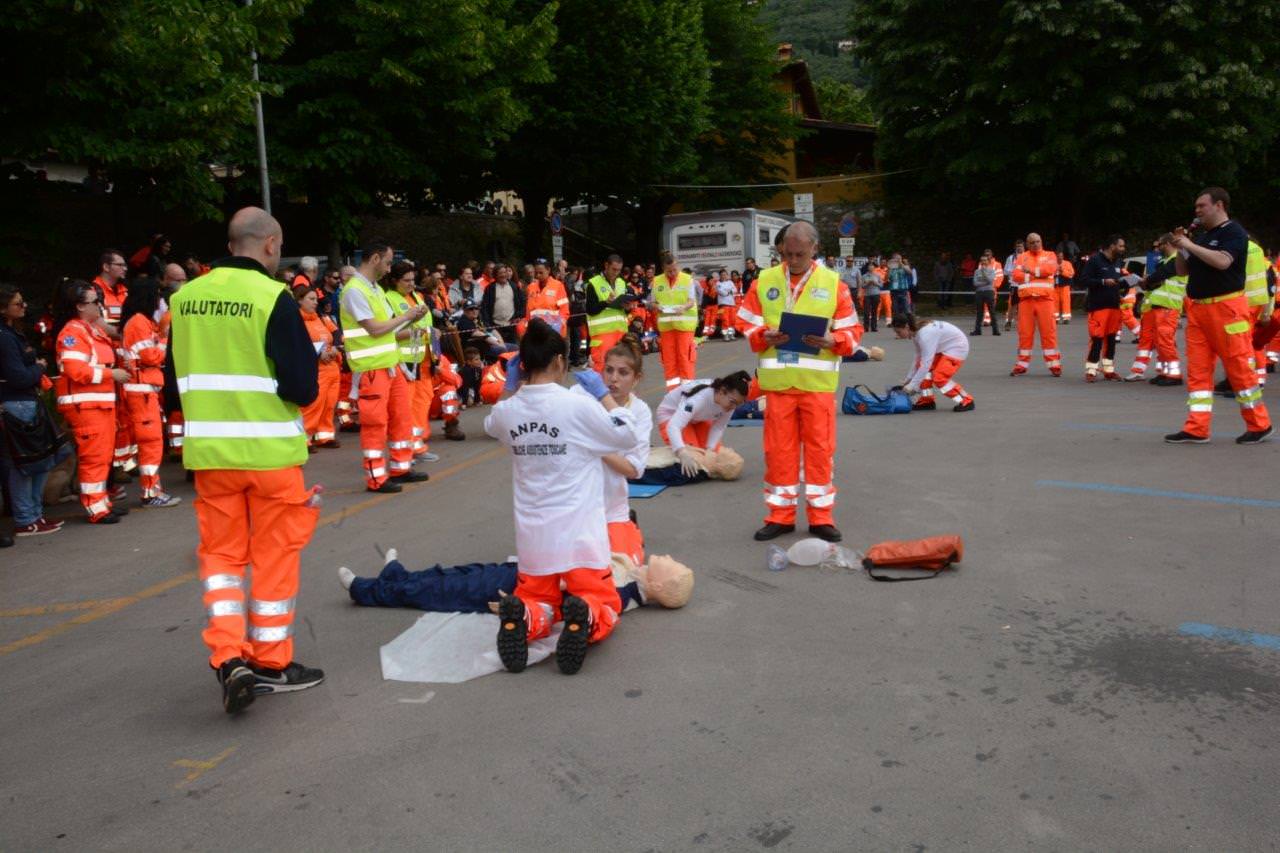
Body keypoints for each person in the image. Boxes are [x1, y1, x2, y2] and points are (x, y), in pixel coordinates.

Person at [166, 205, 325, 714]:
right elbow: (301, 387)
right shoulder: (272, 297)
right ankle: (271, 663)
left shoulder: (186, 298)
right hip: (270, 454)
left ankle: (229, 655)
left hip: (211, 459)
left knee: (221, 561)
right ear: (272, 245)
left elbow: (173, 384)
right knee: (274, 559)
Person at [483, 319, 638, 674]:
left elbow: (492, 423)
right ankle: (584, 619)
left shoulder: (509, 412)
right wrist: (603, 395)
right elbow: (626, 435)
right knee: (602, 599)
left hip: (535, 539)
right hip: (580, 537)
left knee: (537, 598)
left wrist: (510, 387)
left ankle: (525, 617)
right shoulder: (574, 406)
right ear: (557, 362)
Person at [737, 220, 861, 543]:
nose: (791, 260)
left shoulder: (835, 284)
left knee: (820, 452)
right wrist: (762, 335)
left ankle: (821, 517)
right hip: (778, 387)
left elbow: (853, 334)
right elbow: (744, 321)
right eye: (787, 254)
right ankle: (780, 515)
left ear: (814, 250)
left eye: (799, 254)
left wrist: (834, 340)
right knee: (778, 453)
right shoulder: (763, 281)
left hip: (816, 387)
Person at [1165, 187, 1272, 444]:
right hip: (1198, 309)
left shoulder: (1234, 232)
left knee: (1239, 368)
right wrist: (1182, 247)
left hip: (1226, 309)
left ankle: (1259, 423)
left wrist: (1190, 244)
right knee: (1198, 369)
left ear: (1220, 205)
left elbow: (1223, 262)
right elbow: (1181, 271)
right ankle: (1196, 427)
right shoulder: (1202, 237)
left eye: (1202, 206)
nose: (1197, 211)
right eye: (1196, 207)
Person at [340, 240, 430, 493]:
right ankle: (376, 477)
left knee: (402, 417)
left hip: (390, 365)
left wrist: (413, 320)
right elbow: (375, 329)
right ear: (376, 259)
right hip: (371, 369)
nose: (390, 269)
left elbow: (390, 328)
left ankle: (401, 467)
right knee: (375, 424)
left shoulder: (374, 289)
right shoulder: (355, 290)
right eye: (389, 262)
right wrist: (407, 317)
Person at [55, 280, 129, 524]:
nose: (99, 305)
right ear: (79, 306)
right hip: (86, 406)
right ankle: (96, 508)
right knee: (94, 457)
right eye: (94, 302)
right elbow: (76, 371)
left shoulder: (90, 330)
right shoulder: (72, 333)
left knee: (103, 456)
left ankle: (102, 501)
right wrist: (112, 374)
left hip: (99, 404)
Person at [1, 285, 68, 536]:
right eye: (18, 303)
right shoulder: (5, 338)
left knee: (39, 462)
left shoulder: (12, 334)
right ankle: (26, 518)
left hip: (25, 401)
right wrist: (39, 368)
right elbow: (18, 377)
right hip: (17, 403)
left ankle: (34, 515)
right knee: (26, 465)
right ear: (3, 308)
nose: (24, 306)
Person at [119, 278, 181, 506]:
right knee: (151, 444)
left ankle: (152, 491)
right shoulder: (139, 323)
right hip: (141, 392)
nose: (160, 302)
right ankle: (151, 493)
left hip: (144, 391)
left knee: (151, 444)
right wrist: (164, 342)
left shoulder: (139, 322)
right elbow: (150, 356)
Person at [599, 339, 653, 567]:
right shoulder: (584, 399)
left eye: (623, 373)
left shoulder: (639, 411)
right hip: (577, 506)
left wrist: (597, 449)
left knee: (624, 570)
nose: (614, 379)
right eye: (609, 370)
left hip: (613, 506)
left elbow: (633, 469)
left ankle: (627, 525)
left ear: (636, 378)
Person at [382, 260, 436, 465]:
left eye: (413, 280)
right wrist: (418, 332)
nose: (411, 284)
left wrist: (431, 334)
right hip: (404, 361)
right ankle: (405, 449)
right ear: (394, 280)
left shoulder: (417, 296)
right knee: (404, 408)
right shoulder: (388, 299)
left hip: (422, 358)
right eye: (406, 281)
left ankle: (417, 446)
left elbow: (425, 323)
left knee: (421, 404)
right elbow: (389, 332)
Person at [92, 249, 137, 480]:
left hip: (122, 355)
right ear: (106, 266)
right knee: (116, 413)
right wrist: (126, 334)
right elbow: (98, 324)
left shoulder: (123, 290)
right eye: (120, 265)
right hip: (107, 357)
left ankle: (126, 461)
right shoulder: (95, 291)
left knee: (127, 411)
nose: (125, 268)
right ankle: (116, 467)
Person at [654, 372, 750, 472]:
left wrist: (710, 449)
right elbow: (673, 426)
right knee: (695, 459)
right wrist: (681, 452)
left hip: (697, 418)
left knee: (712, 456)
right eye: (733, 402)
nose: (734, 407)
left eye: (738, 404)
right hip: (671, 416)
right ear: (722, 391)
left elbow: (718, 427)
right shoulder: (698, 399)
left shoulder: (729, 401)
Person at [1125, 235, 1186, 385]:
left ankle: (1174, 376)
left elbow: (1160, 276)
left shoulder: (1176, 259)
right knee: (1160, 342)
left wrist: (1148, 280)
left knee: (1165, 341)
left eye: (1160, 245)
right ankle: (1165, 372)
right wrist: (1148, 281)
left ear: (1168, 244)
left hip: (1168, 305)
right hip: (1159, 305)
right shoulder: (1165, 261)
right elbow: (1157, 279)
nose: (1158, 249)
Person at [892, 314, 974, 411]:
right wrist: (908, 379)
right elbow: (918, 358)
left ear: (906, 327)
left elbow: (926, 363)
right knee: (923, 370)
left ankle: (966, 400)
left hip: (957, 348)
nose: (897, 335)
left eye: (898, 332)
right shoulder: (916, 333)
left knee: (939, 378)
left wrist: (912, 385)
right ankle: (927, 401)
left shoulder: (925, 335)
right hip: (945, 348)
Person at [294, 284, 342, 449]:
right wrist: (318, 353)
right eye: (311, 299)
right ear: (300, 300)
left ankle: (325, 436)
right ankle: (304, 439)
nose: (315, 302)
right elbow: (297, 343)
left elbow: (336, 333)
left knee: (329, 404)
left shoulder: (321, 317)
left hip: (332, 366)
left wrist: (335, 347)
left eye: (316, 299)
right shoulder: (296, 319)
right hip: (315, 369)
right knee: (313, 405)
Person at [1009, 233, 1062, 376]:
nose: (1035, 244)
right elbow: (1016, 276)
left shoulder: (1050, 255)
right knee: (1024, 334)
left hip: (1045, 300)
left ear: (1041, 242)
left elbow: (1050, 270)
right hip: (1026, 301)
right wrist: (1037, 274)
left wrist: (1030, 272)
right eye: (1032, 242)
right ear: (1027, 244)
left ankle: (1054, 365)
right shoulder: (1022, 257)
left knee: (1049, 333)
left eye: (1038, 241)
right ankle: (1021, 364)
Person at [1079, 235, 1128, 382]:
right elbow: (1084, 280)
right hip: (1098, 306)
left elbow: (1118, 282)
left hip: (1114, 306)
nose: (1123, 249)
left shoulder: (1119, 262)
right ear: (1112, 246)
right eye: (1121, 246)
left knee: (1111, 340)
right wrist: (1103, 281)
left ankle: (1109, 370)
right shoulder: (1095, 260)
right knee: (1097, 339)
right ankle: (1091, 371)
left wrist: (1127, 283)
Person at [650, 251, 699, 390]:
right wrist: (656, 307)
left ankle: (688, 391)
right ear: (663, 269)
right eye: (669, 271)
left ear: (678, 266)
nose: (672, 273)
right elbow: (652, 302)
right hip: (667, 328)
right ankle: (672, 393)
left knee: (685, 360)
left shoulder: (687, 279)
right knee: (669, 361)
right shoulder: (657, 281)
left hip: (684, 326)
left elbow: (691, 301)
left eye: (674, 270)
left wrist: (683, 308)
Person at [584, 254, 636, 373]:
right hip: (602, 337)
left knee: (622, 370)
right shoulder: (593, 283)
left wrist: (628, 307)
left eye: (619, 270)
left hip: (621, 335)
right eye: (614, 269)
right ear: (606, 266)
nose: (616, 272)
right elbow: (590, 310)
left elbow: (622, 310)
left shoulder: (621, 282)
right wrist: (606, 302)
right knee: (602, 370)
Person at [479, 264, 524, 344]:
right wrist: (488, 325)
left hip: (511, 326)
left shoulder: (514, 286)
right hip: (495, 326)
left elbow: (521, 303)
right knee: (500, 350)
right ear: (495, 275)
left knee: (513, 350)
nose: (503, 275)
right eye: (500, 273)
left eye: (504, 272)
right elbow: (484, 308)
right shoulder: (490, 289)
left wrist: (518, 316)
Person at [524, 260, 570, 334]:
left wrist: (557, 326)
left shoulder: (558, 286)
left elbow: (564, 311)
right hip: (535, 331)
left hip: (553, 331)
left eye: (541, 273)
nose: (538, 275)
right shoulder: (531, 287)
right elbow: (528, 312)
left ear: (548, 270)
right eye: (536, 273)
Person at [971, 249, 1003, 335]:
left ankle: (995, 330)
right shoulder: (978, 269)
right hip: (980, 291)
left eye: (988, 255)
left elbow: (992, 280)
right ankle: (978, 329)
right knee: (979, 312)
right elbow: (975, 282)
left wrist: (986, 279)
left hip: (990, 290)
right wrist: (985, 281)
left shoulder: (995, 266)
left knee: (992, 311)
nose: (984, 260)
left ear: (991, 256)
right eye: (985, 255)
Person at [1002, 239, 1024, 331]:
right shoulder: (1011, 258)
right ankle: (1009, 322)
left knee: (1025, 305)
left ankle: (1024, 323)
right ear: (1015, 247)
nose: (1019, 248)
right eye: (1018, 246)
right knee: (1013, 304)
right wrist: (1015, 272)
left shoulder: (1028, 256)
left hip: (1025, 285)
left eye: (1021, 246)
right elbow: (1005, 271)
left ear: (1024, 247)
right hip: (1014, 284)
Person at [714, 269, 738, 339]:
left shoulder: (730, 282)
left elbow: (735, 290)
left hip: (732, 304)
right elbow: (722, 293)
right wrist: (729, 291)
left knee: (732, 320)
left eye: (725, 274)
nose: (724, 276)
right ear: (720, 276)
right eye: (722, 275)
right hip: (723, 305)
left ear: (727, 275)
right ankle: (725, 335)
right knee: (725, 320)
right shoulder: (718, 283)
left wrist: (728, 291)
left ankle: (731, 334)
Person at [887, 253, 912, 318]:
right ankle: (897, 322)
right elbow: (887, 278)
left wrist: (901, 263)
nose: (897, 260)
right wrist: (889, 268)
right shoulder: (891, 268)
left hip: (903, 289)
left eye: (899, 258)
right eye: (896, 259)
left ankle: (909, 322)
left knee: (906, 307)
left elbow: (910, 272)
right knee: (895, 308)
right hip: (894, 290)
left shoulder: (905, 266)